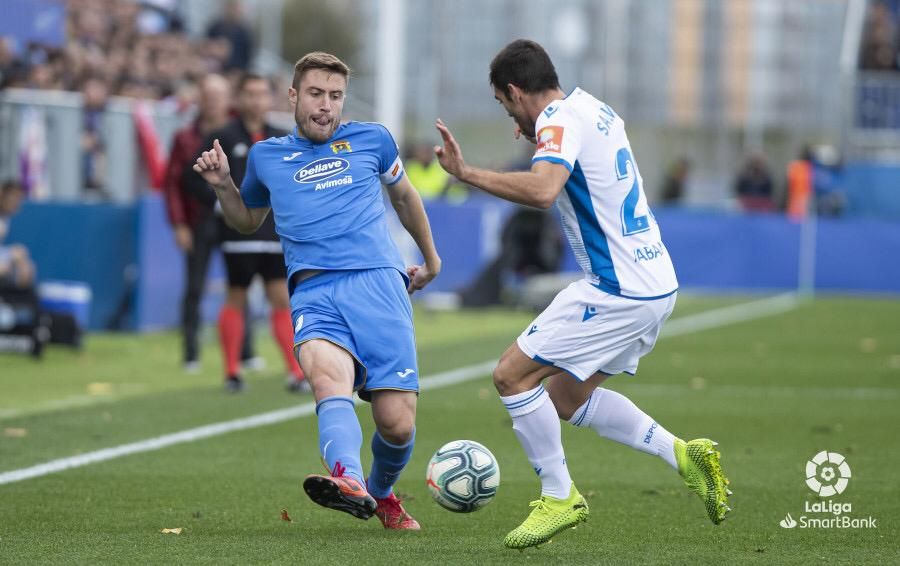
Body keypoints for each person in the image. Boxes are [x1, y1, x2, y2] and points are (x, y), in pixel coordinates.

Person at [434, 39, 731, 549]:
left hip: (618, 289)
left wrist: (467, 174)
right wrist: (541, 136)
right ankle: (683, 454)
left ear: (513, 91)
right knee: (566, 397)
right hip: (655, 284)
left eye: (506, 107)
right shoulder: (594, 108)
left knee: (510, 374)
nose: (512, 121)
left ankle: (558, 495)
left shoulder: (556, 121)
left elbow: (543, 190)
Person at [193, 52, 441, 530]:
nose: (326, 106)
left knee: (397, 422)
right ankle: (346, 478)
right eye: (315, 94)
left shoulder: (373, 139)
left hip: (379, 284)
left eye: (334, 96)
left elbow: (406, 196)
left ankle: (381, 493)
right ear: (293, 97)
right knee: (329, 382)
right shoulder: (267, 157)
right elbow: (246, 220)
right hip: (314, 291)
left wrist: (431, 260)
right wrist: (224, 184)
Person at [203, 73, 306, 393]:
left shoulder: (282, 138)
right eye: (249, 93)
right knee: (237, 295)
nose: (256, 100)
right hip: (238, 234)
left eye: (262, 94)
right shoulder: (222, 136)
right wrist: (222, 201)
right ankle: (232, 372)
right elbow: (197, 178)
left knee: (280, 299)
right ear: (239, 97)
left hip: (275, 233)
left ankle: (296, 372)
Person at [163, 74, 257, 373]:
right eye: (208, 94)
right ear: (200, 98)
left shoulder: (242, 132)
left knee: (240, 283)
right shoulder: (185, 137)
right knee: (194, 287)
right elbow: (175, 182)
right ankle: (191, 353)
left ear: (229, 98)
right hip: (201, 219)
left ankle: (246, 351)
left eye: (220, 94)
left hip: (236, 217)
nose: (214, 100)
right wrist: (179, 224)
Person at [0, 180, 35, 289]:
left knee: (21, 253)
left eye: (19, 199)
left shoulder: (4, 219)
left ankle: (18, 299)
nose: (16, 203)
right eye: (13, 198)